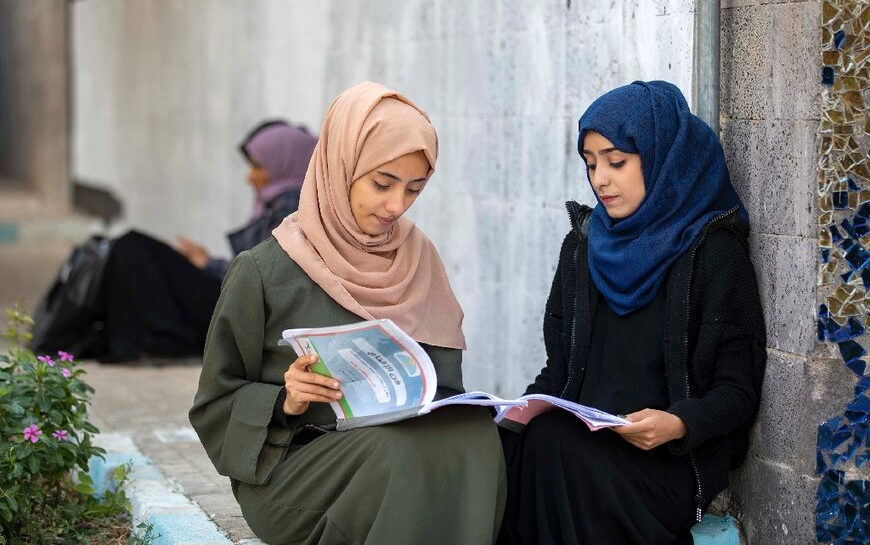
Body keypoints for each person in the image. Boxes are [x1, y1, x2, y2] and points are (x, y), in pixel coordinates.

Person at [189, 82, 506, 545]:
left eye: (414, 189)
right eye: (382, 183)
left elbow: (444, 387)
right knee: (394, 451)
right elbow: (214, 402)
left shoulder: (419, 259)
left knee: (477, 437)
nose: (396, 206)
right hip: (295, 471)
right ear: (341, 166)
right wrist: (285, 400)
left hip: (398, 447)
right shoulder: (263, 269)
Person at [498, 81, 767, 545]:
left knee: (559, 453)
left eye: (616, 161)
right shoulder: (583, 248)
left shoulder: (715, 254)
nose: (600, 178)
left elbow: (737, 391)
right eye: (590, 164)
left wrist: (680, 422)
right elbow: (558, 372)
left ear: (661, 157)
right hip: (579, 443)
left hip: (668, 461)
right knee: (521, 447)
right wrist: (513, 414)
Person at [92, 120, 317, 362]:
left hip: (243, 314)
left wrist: (208, 264)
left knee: (133, 247)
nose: (250, 177)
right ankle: (156, 339)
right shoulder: (278, 202)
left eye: (257, 167)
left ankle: (167, 340)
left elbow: (269, 278)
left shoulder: (292, 206)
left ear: (283, 163)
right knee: (134, 251)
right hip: (238, 303)